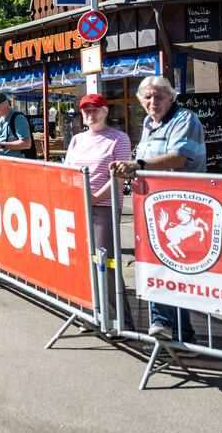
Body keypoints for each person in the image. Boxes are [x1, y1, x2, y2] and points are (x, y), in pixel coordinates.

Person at [111, 75, 206, 345]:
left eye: (159, 96)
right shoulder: (149, 124)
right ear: (141, 101)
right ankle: (180, 337)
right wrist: (129, 167)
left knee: (170, 267)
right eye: (148, 97)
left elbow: (177, 158)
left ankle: (165, 324)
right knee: (159, 265)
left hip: (182, 207)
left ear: (171, 97)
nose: (154, 101)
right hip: (155, 206)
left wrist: (136, 164)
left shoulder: (184, 119)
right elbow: (146, 160)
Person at [64, 94, 133, 332]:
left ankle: (120, 322)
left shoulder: (119, 138)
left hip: (104, 207)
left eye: (95, 110)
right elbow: (68, 172)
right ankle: (92, 314)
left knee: (107, 263)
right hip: (77, 206)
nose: (90, 115)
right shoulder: (76, 140)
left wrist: (94, 198)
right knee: (84, 263)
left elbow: (121, 176)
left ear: (105, 111)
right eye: (86, 111)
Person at [0, 91, 32, 158]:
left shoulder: (18, 118)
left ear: (5, 103)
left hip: (14, 164)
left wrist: (2, 145)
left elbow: (27, 144)